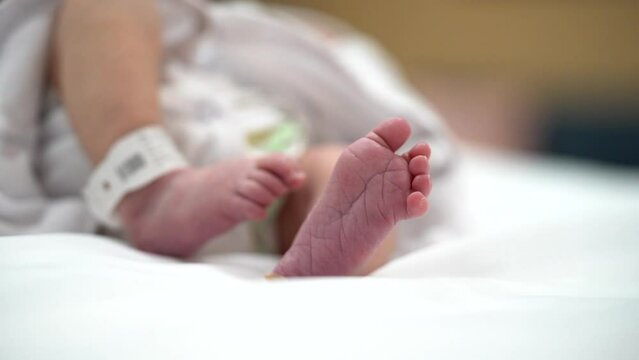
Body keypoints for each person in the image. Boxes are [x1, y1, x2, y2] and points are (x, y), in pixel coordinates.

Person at [46, 0, 441, 276]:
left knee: (338, 170)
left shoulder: (244, 38)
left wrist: (309, 42)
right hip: (134, 145)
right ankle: (149, 188)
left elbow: (327, 66)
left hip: (253, 156)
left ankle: (325, 245)